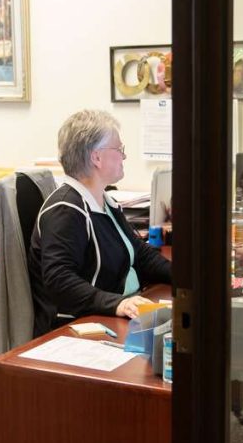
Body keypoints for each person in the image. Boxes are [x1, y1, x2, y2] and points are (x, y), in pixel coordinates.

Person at [29, 109, 173, 337]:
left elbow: (140, 254)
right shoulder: (65, 210)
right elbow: (59, 280)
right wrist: (116, 304)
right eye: (119, 149)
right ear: (96, 157)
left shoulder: (104, 200)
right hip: (79, 328)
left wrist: (185, 277)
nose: (124, 156)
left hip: (112, 315)